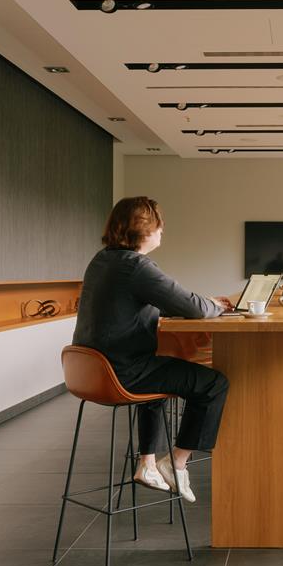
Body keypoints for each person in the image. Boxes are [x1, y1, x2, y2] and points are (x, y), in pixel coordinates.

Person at [72, 196, 230, 503]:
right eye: (158, 226)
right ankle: (176, 462)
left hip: (92, 370)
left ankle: (147, 463)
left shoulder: (102, 260)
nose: (161, 232)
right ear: (142, 229)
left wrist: (201, 305)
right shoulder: (135, 267)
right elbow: (193, 307)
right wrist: (215, 305)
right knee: (214, 384)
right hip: (123, 371)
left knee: (159, 367)